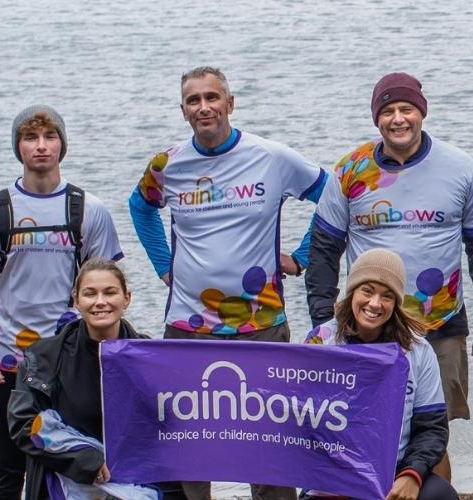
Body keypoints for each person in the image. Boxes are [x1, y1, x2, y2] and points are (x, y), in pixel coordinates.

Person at [128, 66, 324, 500]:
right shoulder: (168, 163)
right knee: (191, 450)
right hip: (186, 326)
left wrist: (303, 257)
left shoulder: (271, 157)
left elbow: (331, 196)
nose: (204, 107)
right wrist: (165, 265)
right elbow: (140, 206)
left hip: (263, 326)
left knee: (270, 448)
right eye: (193, 100)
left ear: (230, 104)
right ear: (183, 110)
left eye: (212, 97)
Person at [304, 71, 473, 481]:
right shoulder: (350, 169)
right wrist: (324, 321)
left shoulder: (461, 168)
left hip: (440, 322)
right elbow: (324, 249)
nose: (398, 119)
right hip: (367, 325)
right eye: (389, 111)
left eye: (407, 110)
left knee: (434, 430)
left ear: (421, 113)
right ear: (377, 118)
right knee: (358, 424)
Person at [0, 105, 124, 499]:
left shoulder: (89, 210)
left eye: (50, 137)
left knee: (66, 457)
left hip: (65, 362)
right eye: (30, 138)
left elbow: (104, 288)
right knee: (6, 466)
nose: (41, 147)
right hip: (6, 359)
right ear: (18, 147)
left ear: (62, 145)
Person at [301, 249, 458, 500]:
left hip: (392, 475)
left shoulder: (417, 349)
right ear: (352, 292)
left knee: (441, 494)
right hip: (330, 478)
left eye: (387, 296)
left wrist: (411, 474)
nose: (375, 303)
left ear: (396, 303)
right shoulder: (320, 341)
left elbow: (432, 428)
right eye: (367, 291)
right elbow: (300, 424)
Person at [8, 258, 170, 500]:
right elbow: (23, 424)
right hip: (65, 483)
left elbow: (176, 424)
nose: (100, 302)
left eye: (110, 292)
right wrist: (85, 460)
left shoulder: (152, 357)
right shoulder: (43, 357)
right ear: (76, 300)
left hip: (138, 484)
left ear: (127, 298)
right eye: (90, 294)